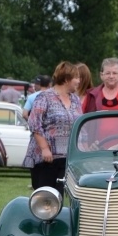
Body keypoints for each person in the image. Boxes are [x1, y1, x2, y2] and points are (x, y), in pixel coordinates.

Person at [23, 61, 82, 196]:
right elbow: (34, 123)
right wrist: (44, 148)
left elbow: (79, 125)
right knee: (45, 198)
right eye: (76, 78)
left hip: (68, 159)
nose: (79, 81)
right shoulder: (44, 97)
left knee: (63, 196)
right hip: (46, 159)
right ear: (66, 79)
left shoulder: (76, 100)